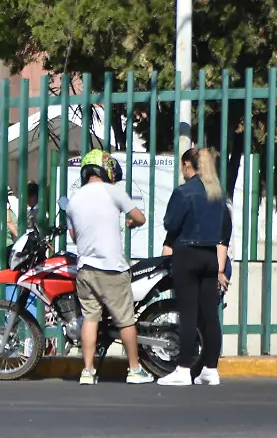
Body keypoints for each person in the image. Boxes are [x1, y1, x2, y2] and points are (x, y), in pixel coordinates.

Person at [65, 149, 152, 385]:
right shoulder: (113, 192)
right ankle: (134, 369)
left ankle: (88, 371)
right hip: (112, 268)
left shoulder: (74, 200)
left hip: (85, 269)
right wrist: (130, 222)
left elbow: (74, 234)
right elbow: (141, 218)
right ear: (105, 170)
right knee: (125, 320)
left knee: (90, 319)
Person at [157, 147, 233, 387]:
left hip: (187, 254)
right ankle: (211, 369)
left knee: (188, 313)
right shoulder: (217, 194)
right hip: (210, 257)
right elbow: (224, 230)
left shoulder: (184, 192)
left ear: (188, 165)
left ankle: (183, 369)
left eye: (183, 166)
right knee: (210, 315)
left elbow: (170, 222)